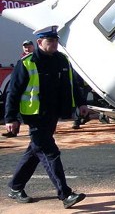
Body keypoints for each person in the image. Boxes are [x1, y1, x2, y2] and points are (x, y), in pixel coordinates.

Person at [4, 25, 88, 209]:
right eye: (50, 41)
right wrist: (10, 118)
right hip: (35, 116)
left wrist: (81, 103)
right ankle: (65, 194)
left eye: (56, 41)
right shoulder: (27, 63)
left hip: (53, 114)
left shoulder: (61, 59)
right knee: (50, 153)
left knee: (35, 151)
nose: (55, 44)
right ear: (40, 42)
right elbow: (13, 92)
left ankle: (15, 187)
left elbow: (72, 83)